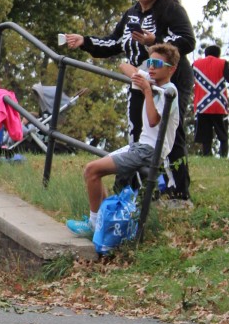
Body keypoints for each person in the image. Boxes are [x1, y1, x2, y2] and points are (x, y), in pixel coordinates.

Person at [62, 0, 196, 200]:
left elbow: (187, 41)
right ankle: (137, 190)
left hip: (169, 81)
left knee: (167, 133)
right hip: (139, 81)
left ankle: (177, 192)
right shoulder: (131, 14)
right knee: (137, 133)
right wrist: (85, 41)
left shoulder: (171, 10)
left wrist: (155, 40)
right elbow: (114, 43)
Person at [67, 44, 180, 241]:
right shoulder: (152, 81)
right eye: (149, 62)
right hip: (140, 145)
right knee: (92, 171)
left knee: (92, 170)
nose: (151, 67)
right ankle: (101, 223)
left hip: (150, 150)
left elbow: (154, 120)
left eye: (157, 64)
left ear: (172, 69)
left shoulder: (169, 91)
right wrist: (141, 75)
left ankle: (94, 225)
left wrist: (146, 90)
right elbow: (123, 66)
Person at [192, 43, 229, 157]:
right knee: (223, 134)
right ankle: (223, 156)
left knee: (205, 135)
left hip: (202, 105)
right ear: (218, 54)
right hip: (218, 105)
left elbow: (188, 80)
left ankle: (207, 155)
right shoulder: (222, 63)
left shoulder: (195, 64)